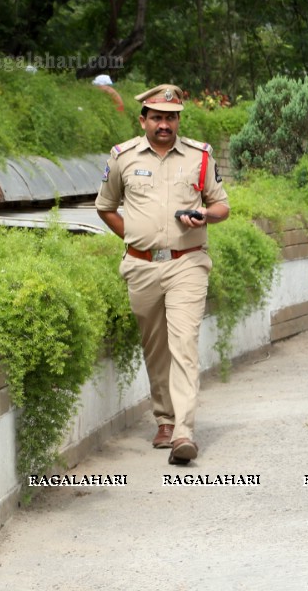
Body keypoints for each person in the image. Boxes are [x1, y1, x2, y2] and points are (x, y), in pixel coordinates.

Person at [95, 84, 230, 465]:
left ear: (178, 120)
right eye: (157, 117)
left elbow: (221, 205)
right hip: (141, 266)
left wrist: (204, 215)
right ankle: (165, 419)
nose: (164, 123)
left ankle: (184, 432)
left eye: (171, 117)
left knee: (183, 343)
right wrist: (135, 237)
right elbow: (105, 207)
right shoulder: (122, 157)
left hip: (187, 262)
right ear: (144, 120)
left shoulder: (200, 156)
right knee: (156, 348)